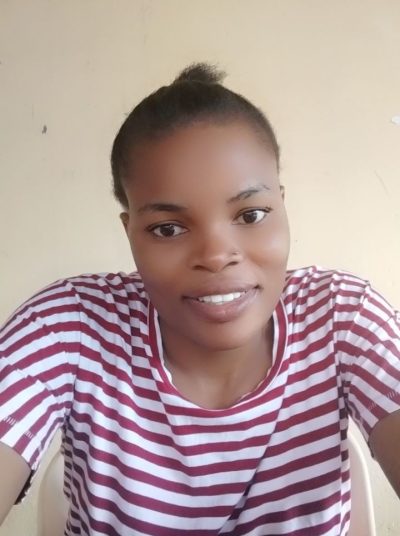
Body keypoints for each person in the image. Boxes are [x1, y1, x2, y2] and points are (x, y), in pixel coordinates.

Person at [0, 63, 399, 535]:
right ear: (130, 231)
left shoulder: (340, 316)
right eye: (168, 228)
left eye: (251, 215)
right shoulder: (72, 325)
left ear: (282, 204)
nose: (215, 255)